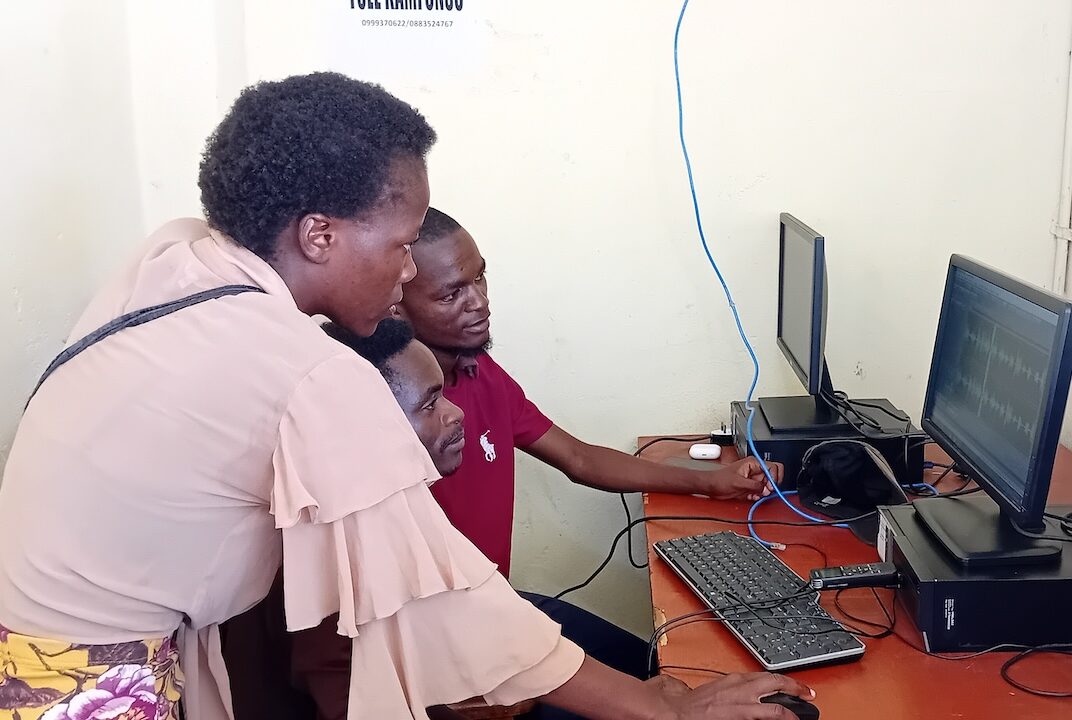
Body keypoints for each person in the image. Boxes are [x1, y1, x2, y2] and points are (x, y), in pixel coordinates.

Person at [0, 72, 810, 720]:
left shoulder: (175, 255)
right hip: (84, 682)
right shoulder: (310, 372)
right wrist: (659, 710)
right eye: (397, 244)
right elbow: (442, 604)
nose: (407, 270)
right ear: (318, 235)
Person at [391, 208, 785, 689]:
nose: (479, 303)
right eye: (452, 293)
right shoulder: (397, 409)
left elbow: (579, 458)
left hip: (499, 606)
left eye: (480, 279)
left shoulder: (478, 371)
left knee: (662, 667)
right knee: (661, 696)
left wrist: (709, 482)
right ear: (397, 304)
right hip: (451, 642)